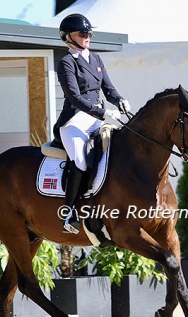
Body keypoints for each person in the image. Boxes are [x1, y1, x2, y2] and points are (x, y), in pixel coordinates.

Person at [54, 13, 131, 234]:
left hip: (96, 120)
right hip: (74, 122)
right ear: (69, 37)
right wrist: (104, 111)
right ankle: (69, 213)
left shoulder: (96, 59)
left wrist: (120, 100)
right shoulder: (66, 63)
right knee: (79, 161)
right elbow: (75, 98)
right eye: (83, 33)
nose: (88, 36)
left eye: (89, 33)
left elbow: (108, 89)